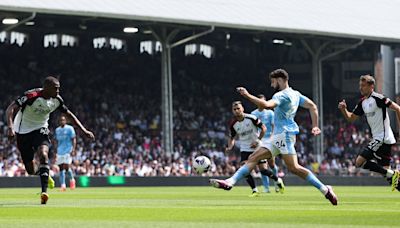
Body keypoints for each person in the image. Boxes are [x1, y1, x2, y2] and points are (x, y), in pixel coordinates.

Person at [210, 69, 338, 205]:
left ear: (280, 79)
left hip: (283, 135)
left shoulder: (281, 95)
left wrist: (247, 95)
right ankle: (230, 182)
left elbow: (265, 105)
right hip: (281, 136)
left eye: (273, 82)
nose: (272, 85)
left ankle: (325, 189)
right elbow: (312, 106)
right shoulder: (296, 94)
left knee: (294, 167)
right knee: (255, 158)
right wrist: (315, 125)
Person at [6, 76, 95, 204]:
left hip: (41, 129)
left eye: (58, 88)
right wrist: (10, 127)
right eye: (56, 88)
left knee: (43, 155)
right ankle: (45, 175)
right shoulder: (32, 96)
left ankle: (44, 193)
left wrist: (84, 130)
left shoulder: (57, 100)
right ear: (47, 88)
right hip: (23, 132)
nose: (58, 91)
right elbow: (10, 109)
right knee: (30, 170)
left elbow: (69, 114)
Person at [338, 75, 400, 191]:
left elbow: (398, 108)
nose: (361, 88)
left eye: (363, 86)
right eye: (360, 85)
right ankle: (393, 175)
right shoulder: (362, 103)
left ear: (371, 86)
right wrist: (343, 110)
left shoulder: (379, 98)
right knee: (387, 174)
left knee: (359, 162)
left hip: (382, 138)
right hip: (382, 138)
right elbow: (351, 118)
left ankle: (392, 173)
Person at [226, 101, 283, 197]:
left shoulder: (251, 118)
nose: (236, 111)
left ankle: (277, 179)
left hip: (257, 147)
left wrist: (257, 140)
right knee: (244, 169)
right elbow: (232, 138)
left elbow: (263, 128)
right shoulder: (233, 124)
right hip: (244, 149)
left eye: (238, 108)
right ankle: (254, 190)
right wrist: (230, 147)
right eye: (234, 109)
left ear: (242, 109)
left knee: (263, 170)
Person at [251, 94, 280, 193]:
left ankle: (277, 183)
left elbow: (273, 126)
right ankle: (266, 188)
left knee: (272, 164)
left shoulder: (270, 113)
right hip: (259, 141)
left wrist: (272, 138)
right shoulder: (253, 114)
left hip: (269, 140)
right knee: (262, 165)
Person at [55, 115, 77, 191]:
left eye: (63, 120)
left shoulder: (70, 128)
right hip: (60, 151)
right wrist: (56, 151)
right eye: (61, 120)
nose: (62, 121)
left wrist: (73, 149)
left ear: (66, 121)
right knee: (61, 168)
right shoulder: (57, 130)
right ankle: (63, 185)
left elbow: (73, 139)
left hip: (68, 149)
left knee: (66, 166)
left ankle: (72, 180)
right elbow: (56, 141)